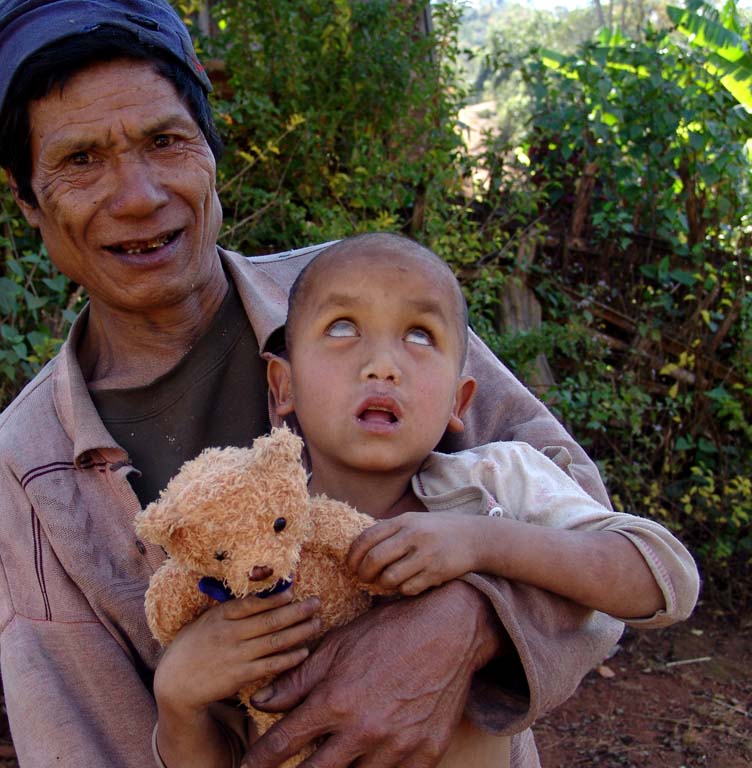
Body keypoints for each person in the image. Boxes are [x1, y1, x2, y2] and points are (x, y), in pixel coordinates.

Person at [0, 2, 633, 766]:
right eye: (80, 159)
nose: (139, 195)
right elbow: (82, 745)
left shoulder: (367, 301)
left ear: (211, 150)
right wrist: (181, 700)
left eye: (165, 140)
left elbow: (596, 538)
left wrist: (471, 618)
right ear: (27, 198)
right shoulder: (28, 469)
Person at [149, 232, 699, 768]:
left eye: (418, 335)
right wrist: (178, 700)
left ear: (459, 401)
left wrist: (483, 544)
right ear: (283, 387)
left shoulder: (495, 482)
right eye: (343, 327)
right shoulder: (253, 541)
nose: (383, 364)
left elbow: (666, 579)